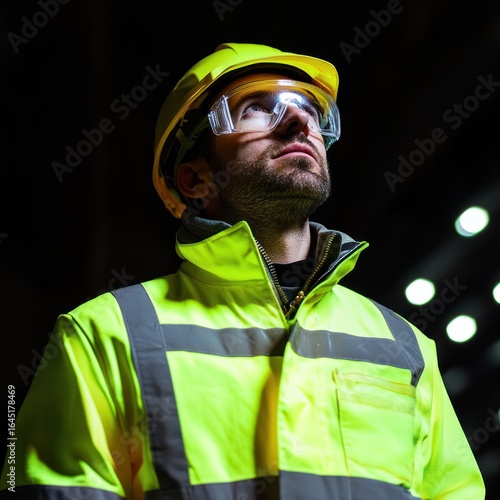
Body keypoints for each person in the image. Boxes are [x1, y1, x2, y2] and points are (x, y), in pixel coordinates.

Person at [0, 43, 485, 499]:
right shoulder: (103, 335)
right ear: (195, 178)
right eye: (256, 107)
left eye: (312, 111)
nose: (298, 119)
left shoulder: (406, 346)